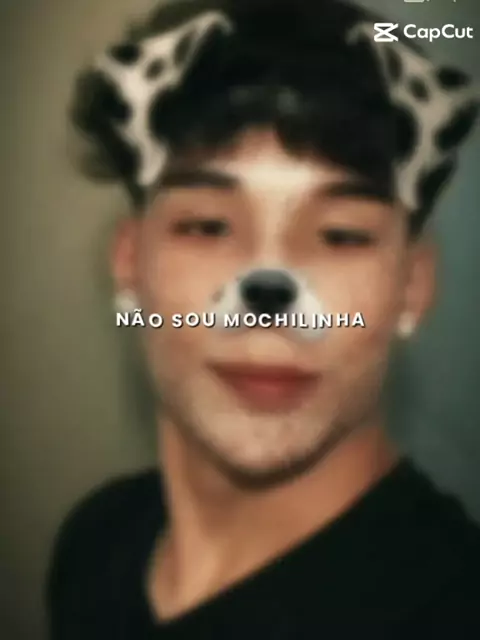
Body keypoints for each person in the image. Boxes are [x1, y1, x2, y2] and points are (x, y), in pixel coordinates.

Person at [46, 0, 480, 637]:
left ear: (412, 286)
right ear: (131, 264)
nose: (268, 296)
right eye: (207, 226)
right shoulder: (95, 543)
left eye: (341, 235)